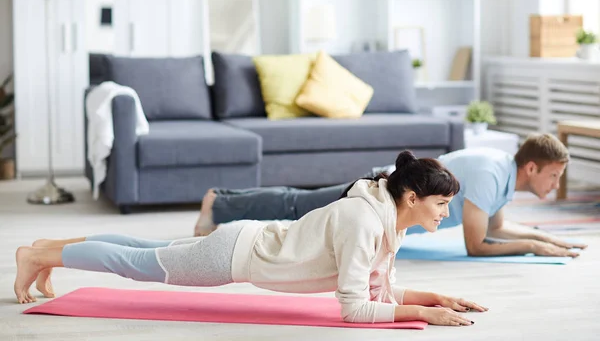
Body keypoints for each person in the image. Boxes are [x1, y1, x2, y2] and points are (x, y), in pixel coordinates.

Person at [15, 152, 488, 326]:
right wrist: (425, 313)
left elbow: (378, 287)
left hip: (246, 240)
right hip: (235, 256)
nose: (446, 214)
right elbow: (355, 309)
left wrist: (438, 297)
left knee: (141, 251)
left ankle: (46, 250)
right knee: (138, 265)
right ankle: (39, 253)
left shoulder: (384, 216)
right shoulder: (366, 222)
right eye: (441, 204)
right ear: (410, 197)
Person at [194, 133, 588, 257]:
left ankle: (224, 199)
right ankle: (220, 203)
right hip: (377, 192)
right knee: (299, 205)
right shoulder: (490, 174)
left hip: (387, 194)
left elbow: (498, 226)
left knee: (300, 204)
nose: (555, 186)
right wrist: (534, 249)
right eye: (553, 176)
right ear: (532, 168)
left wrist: (548, 238)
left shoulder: (503, 175)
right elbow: (477, 243)